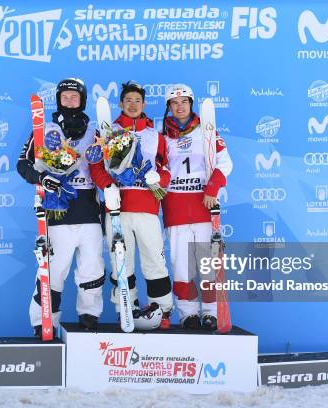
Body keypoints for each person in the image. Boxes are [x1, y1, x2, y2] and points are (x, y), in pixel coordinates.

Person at [17, 78, 104, 335]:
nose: (69, 100)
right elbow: (22, 164)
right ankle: (44, 321)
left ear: (82, 100)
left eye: (74, 96)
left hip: (88, 210)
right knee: (54, 270)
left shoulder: (95, 131)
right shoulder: (44, 130)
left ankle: (89, 315)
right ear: (58, 99)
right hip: (57, 211)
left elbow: (104, 167)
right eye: (64, 96)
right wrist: (42, 178)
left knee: (92, 267)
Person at [89, 81, 174, 329]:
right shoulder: (107, 131)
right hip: (117, 208)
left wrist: (159, 179)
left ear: (144, 104)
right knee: (121, 261)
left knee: (154, 260)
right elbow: (95, 166)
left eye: (138, 100)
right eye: (128, 100)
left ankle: (162, 310)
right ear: (121, 104)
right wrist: (108, 186)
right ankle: (126, 307)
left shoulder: (155, 136)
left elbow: (166, 168)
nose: (133, 105)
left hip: (147, 208)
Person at [161, 84, 233, 330]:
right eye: (174, 103)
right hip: (176, 208)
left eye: (184, 102)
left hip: (203, 205)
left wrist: (212, 188)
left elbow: (225, 162)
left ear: (191, 104)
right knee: (181, 266)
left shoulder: (207, 131)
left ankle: (211, 312)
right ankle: (188, 312)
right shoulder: (163, 136)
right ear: (169, 107)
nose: (180, 107)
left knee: (207, 264)